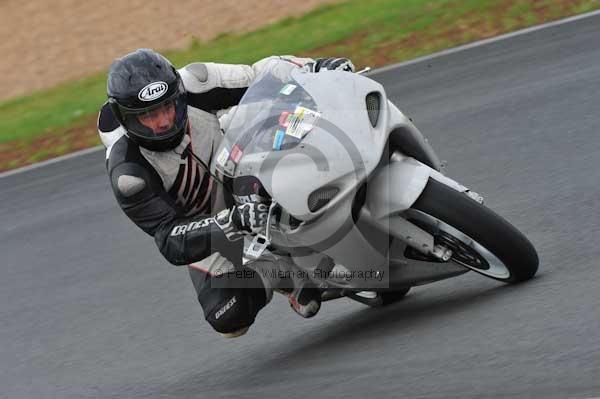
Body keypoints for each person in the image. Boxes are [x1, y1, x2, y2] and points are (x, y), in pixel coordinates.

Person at [98, 48, 355, 338]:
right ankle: (279, 272)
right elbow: (169, 239)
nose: (164, 121)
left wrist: (319, 68)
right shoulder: (129, 172)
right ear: (128, 120)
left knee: (288, 109)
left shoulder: (196, 81)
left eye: (168, 107)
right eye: (149, 115)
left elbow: (262, 73)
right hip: (205, 223)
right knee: (228, 316)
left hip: (239, 158)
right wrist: (230, 223)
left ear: (178, 94)